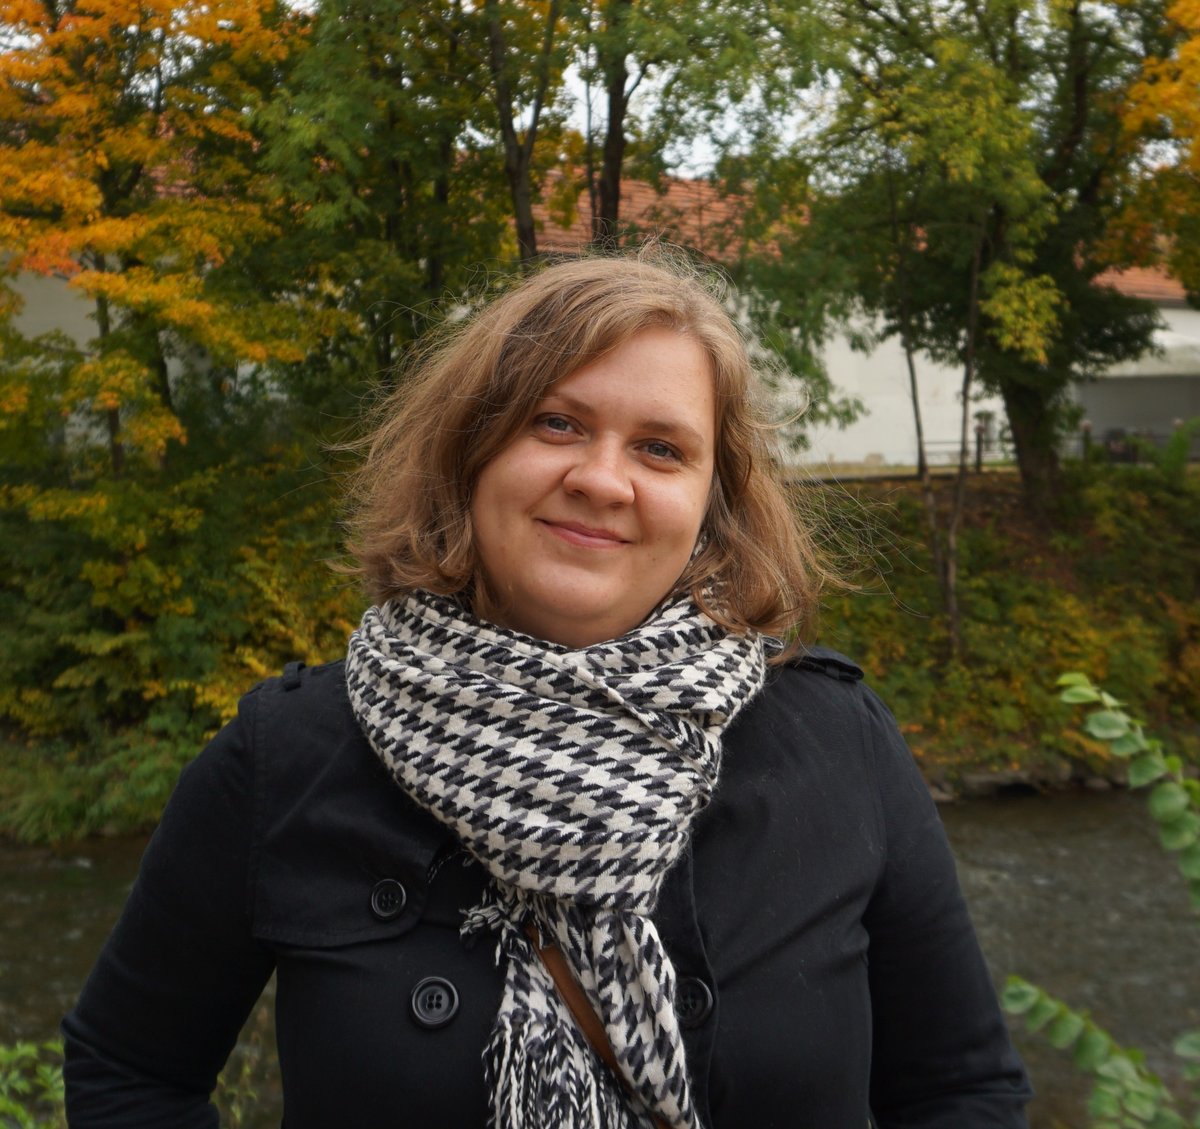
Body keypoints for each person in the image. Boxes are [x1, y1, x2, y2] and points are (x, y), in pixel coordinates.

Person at [62, 252, 1032, 1129]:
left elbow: (960, 1089)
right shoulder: (289, 754)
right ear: (470, 450)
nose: (604, 480)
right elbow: (128, 1070)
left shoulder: (835, 741)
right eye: (557, 423)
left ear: (711, 504)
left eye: (661, 448)